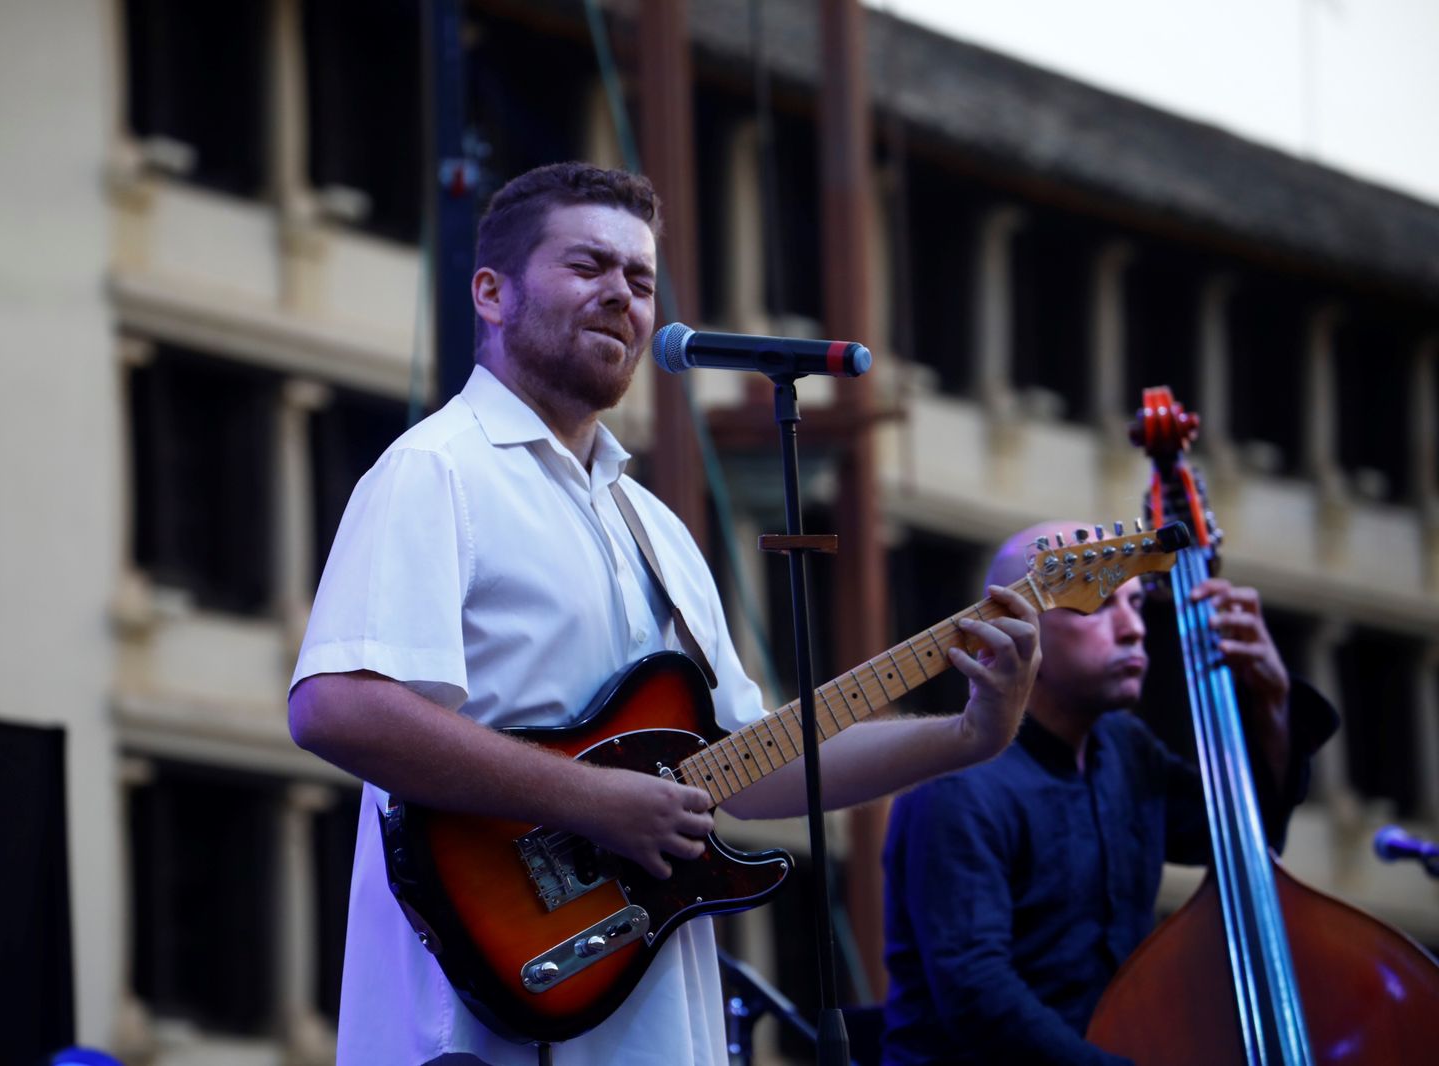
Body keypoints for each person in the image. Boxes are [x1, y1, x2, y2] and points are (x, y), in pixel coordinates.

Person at [287, 162, 1043, 1066]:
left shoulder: (656, 527)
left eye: (640, 280)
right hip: (482, 1020)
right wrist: (593, 801)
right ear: (491, 292)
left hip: (644, 1015)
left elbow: (750, 765)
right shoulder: (437, 470)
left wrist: (970, 736)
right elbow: (337, 705)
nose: (622, 295)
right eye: (589, 267)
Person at [879, 522, 1339, 1066]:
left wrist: (1270, 704)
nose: (1134, 629)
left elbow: (1240, 839)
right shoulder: (956, 785)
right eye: (1099, 606)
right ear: (1017, 627)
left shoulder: (1127, 751)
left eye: (1137, 602)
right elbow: (981, 1000)